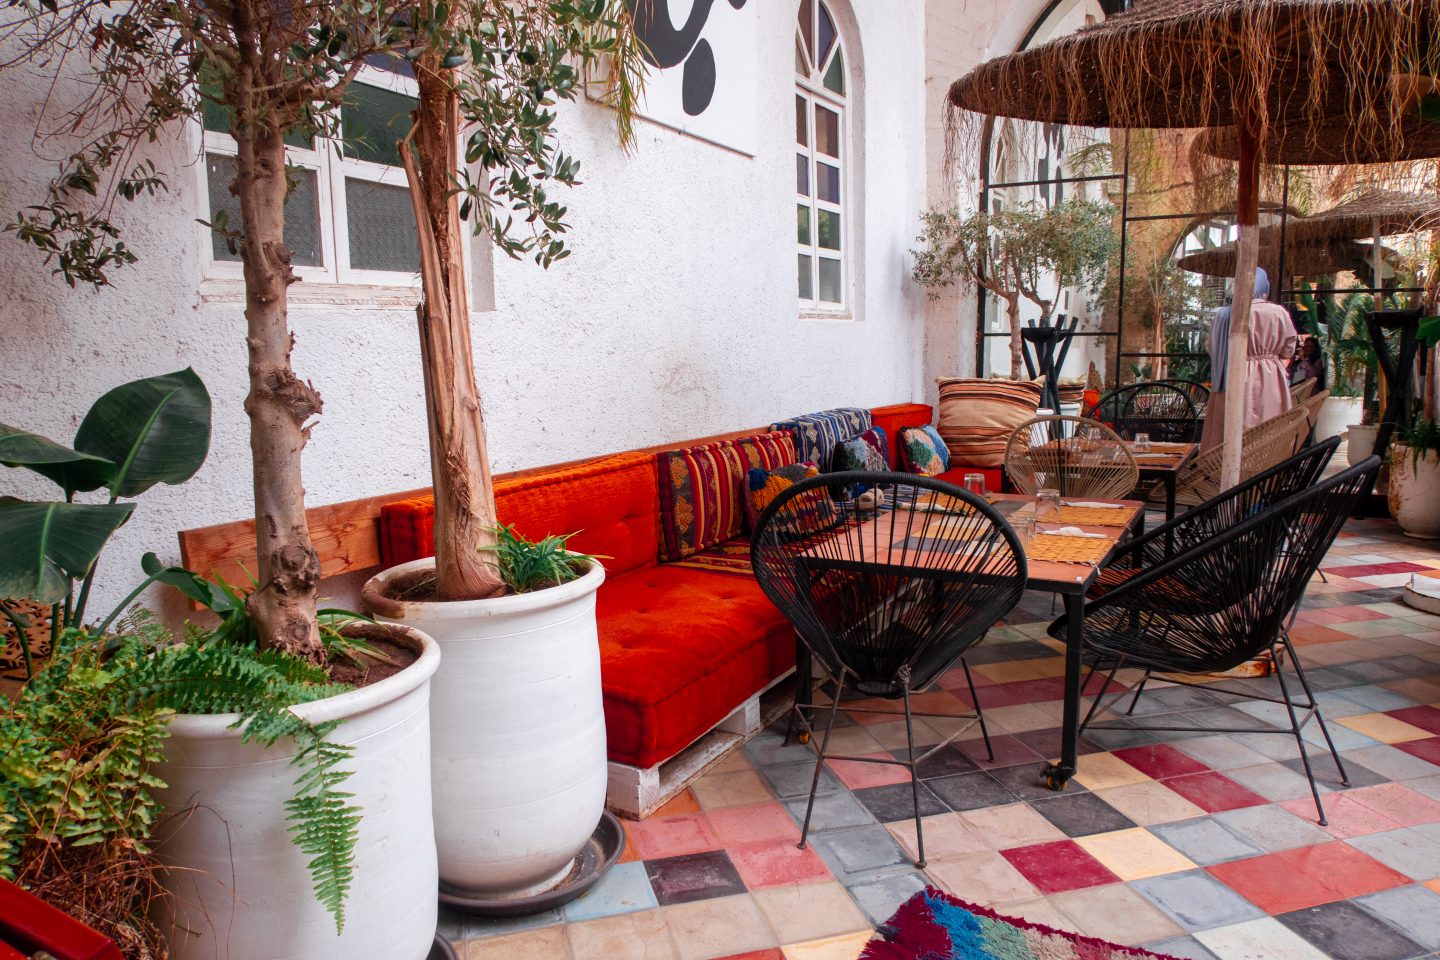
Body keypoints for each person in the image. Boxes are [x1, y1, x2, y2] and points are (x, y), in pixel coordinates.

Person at [1201, 268, 1298, 451]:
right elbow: (1289, 348)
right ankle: (1265, 464)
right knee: (1268, 425)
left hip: (1230, 374)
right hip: (1269, 376)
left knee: (1228, 427)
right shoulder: (1277, 312)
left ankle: (1225, 464)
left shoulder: (1224, 315)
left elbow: (1212, 348)